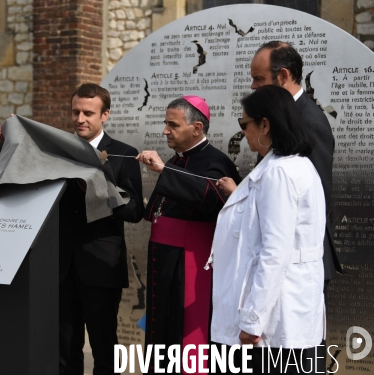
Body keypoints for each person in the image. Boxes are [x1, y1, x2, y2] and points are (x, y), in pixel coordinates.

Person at [210, 85, 325, 373]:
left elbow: (276, 252)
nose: (243, 131)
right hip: (286, 309)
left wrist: (252, 320)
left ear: (265, 124)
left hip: (276, 316)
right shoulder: (292, 166)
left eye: (244, 123)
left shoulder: (279, 174)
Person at [136, 96, 240, 373]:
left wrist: (163, 170)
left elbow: (210, 200)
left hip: (191, 259)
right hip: (166, 256)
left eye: (173, 124)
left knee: (184, 331)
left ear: (196, 127)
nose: (165, 130)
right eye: (165, 123)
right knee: (163, 325)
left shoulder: (216, 161)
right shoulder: (177, 159)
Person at [59, 83, 144, 375]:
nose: (80, 119)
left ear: (105, 115)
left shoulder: (123, 153)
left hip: (101, 266)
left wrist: (100, 188)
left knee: (104, 350)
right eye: (75, 112)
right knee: (64, 351)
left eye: (88, 113)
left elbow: (135, 211)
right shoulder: (57, 151)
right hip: (60, 268)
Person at [250, 40, 341, 285]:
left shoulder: (309, 122)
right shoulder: (281, 115)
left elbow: (316, 198)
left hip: (301, 266)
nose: (253, 86)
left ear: (282, 76)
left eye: (259, 78)